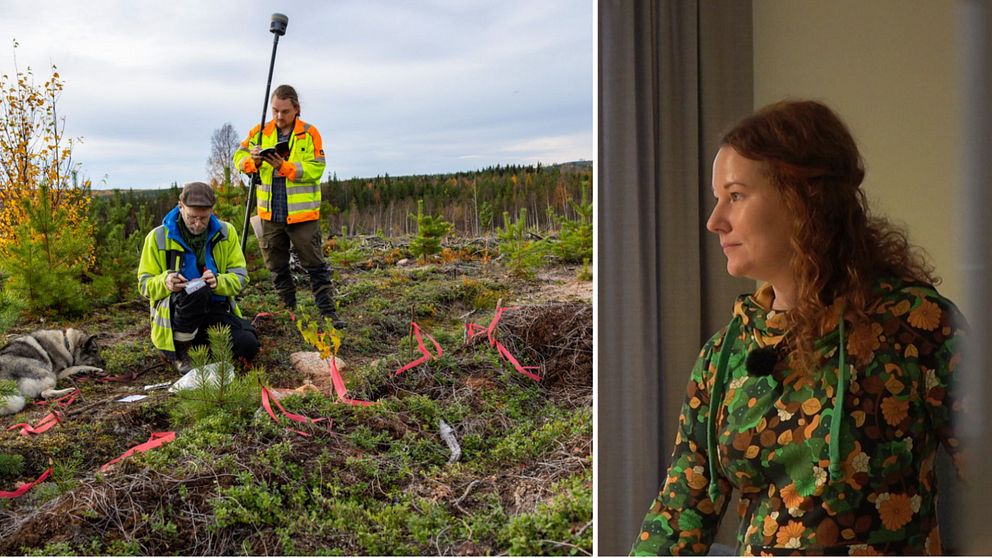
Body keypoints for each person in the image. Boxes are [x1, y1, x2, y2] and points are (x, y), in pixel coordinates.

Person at [631, 100, 965, 555]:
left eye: (735, 195)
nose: (714, 222)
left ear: (802, 198)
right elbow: (678, 514)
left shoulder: (917, 326)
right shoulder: (725, 354)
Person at [233, 84, 345, 328]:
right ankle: (290, 311)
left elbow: (317, 168)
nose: (278, 117)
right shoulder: (260, 132)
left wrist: (284, 167)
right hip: (270, 214)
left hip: (303, 215)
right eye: (274, 111)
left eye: (284, 111)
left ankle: (328, 313)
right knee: (277, 265)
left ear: (296, 109)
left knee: (315, 265)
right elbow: (238, 156)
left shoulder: (309, 133)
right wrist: (251, 163)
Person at [137, 182, 260, 371]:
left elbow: (240, 277)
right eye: (192, 217)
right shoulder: (158, 237)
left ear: (212, 209)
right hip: (176, 316)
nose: (198, 223)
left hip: (215, 309)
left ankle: (200, 349)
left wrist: (219, 281)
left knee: (248, 345)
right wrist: (166, 281)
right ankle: (181, 352)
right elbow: (144, 285)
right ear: (180, 206)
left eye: (204, 218)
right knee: (197, 292)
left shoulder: (226, 232)